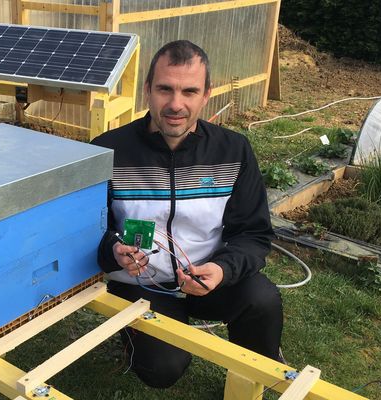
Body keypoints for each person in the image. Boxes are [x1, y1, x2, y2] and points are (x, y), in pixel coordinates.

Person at [90, 40, 283, 389]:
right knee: (163, 370)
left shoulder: (233, 150)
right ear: (147, 90)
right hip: (140, 286)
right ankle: (142, 340)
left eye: (189, 91)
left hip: (207, 279)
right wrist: (113, 251)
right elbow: (82, 231)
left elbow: (253, 234)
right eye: (165, 89)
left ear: (206, 95)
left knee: (262, 300)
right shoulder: (106, 151)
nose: (176, 104)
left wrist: (223, 269)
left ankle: (257, 377)